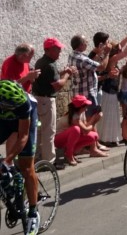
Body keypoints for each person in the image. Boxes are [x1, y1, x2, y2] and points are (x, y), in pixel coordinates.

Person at [0, 80, 40, 235]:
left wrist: (8, 160)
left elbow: (23, 136)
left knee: (27, 166)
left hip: (24, 121)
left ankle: (33, 213)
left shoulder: (24, 104)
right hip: (3, 120)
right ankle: (9, 181)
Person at [32, 37, 76, 169]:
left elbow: (51, 76)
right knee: (49, 131)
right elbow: (57, 85)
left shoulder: (41, 61)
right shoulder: (50, 64)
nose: (60, 52)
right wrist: (68, 74)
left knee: (39, 131)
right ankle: (49, 162)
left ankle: (38, 158)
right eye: (57, 49)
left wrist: (64, 71)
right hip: (46, 100)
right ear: (49, 50)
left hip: (39, 99)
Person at [67, 34, 112, 153]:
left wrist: (100, 53)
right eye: (86, 41)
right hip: (88, 93)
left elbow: (92, 63)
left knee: (89, 119)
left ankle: (94, 144)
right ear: (81, 45)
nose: (87, 43)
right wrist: (107, 53)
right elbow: (102, 67)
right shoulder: (82, 59)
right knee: (94, 118)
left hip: (79, 92)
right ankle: (93, 148)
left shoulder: (73, 55)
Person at [97, 31, 127, 147]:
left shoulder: (112, 58)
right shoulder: (112, 59)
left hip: (111, 91)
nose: (120, 50)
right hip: (108, 91)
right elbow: (125, 52)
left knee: (111, 115)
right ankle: (106, 138)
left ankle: (108, 138)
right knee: (109, 115)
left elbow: (120, 46)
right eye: (118, 49)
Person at [55, 95, 107, 166]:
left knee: (94, 136)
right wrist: (94, 120)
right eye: (85, 106)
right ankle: (69, 155)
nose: (86, 109)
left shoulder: (81, 113)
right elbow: (85, 130)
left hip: (69, 137)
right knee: (76, 129)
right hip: (59, 140)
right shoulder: (74, 116)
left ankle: (71, 152)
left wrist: (93, 118)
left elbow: (86, 126)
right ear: (80, 107)